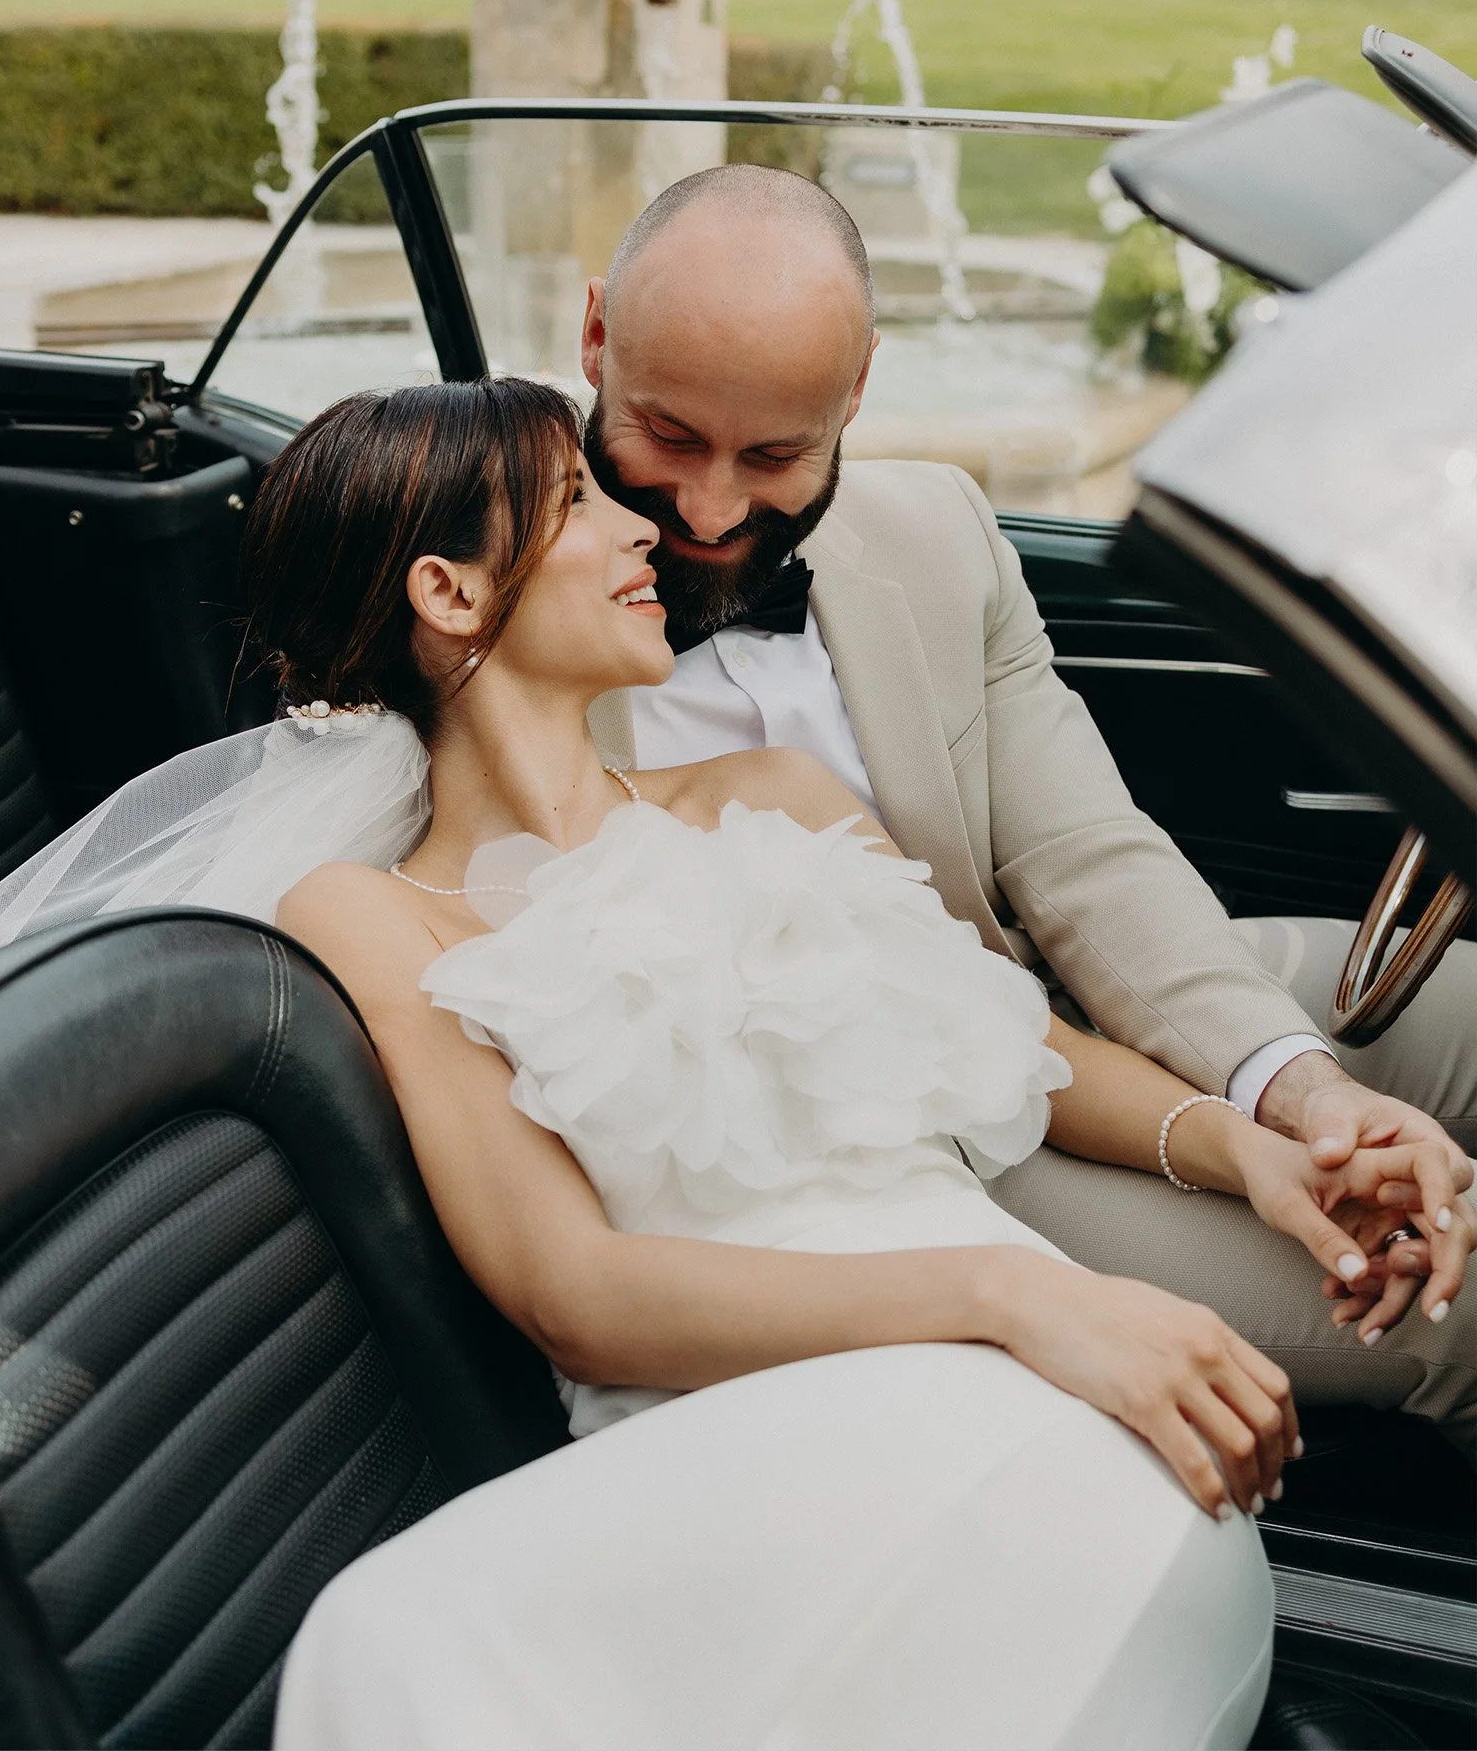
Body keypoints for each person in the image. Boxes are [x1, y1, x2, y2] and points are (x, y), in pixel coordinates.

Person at [258, 377, 1468, 1751]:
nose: (643, 531)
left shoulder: (776, 794)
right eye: (579, 503)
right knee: (397, 1644)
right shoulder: (371, 913)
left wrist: (1257, 1152)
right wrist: (1011, 1298)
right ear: (450, 593)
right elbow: (576, 1295)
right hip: (775, 1430)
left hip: (1070, 1410)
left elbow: (1033, 1050)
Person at [571, 161, 1477, 1451]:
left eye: (776, 454)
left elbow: (1088, 857)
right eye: (669, 437)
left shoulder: (937, 528)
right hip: (924, 1158)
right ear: (596, 334)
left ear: (860, 387)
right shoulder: (475, 585)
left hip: (1059, 1019)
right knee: (1458, 1296)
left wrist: (1296, 1092)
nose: (713, 511)